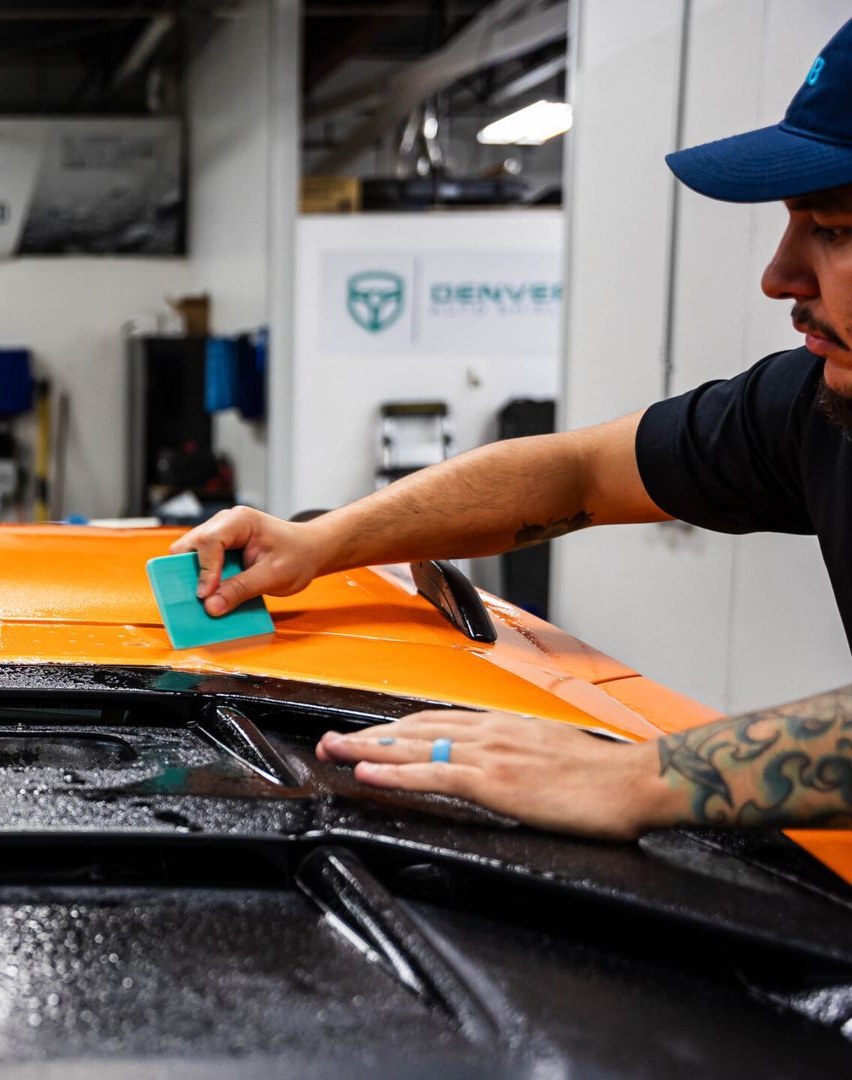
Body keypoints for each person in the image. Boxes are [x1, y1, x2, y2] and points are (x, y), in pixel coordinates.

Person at [173, 17, 852, 841]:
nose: (777, 275)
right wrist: (319, 543)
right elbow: (578, 473)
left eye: (834, 231)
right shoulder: (810, 408)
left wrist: (638, 777)